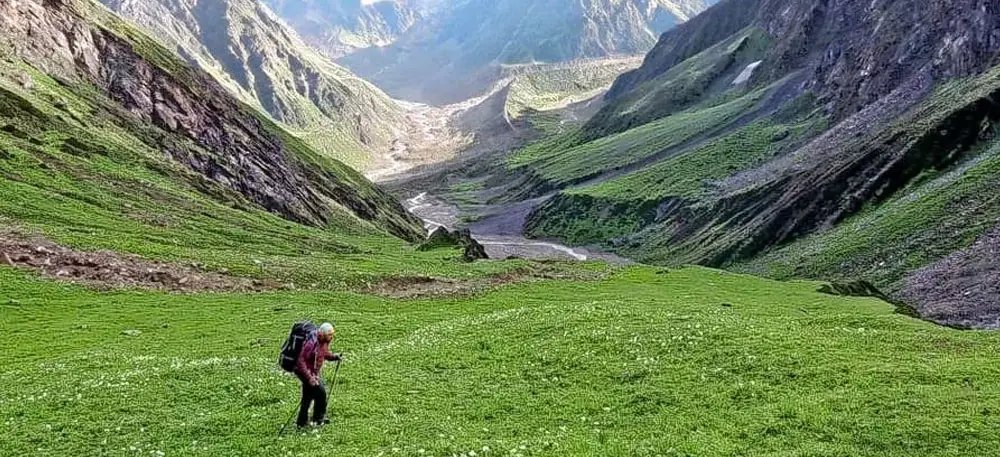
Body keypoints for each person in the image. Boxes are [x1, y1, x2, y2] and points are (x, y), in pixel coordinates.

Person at [294, 322, 341, 428]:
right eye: (330, 334)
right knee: (321, 393)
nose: (331, 337)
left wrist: (334, 357)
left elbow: (323, 353)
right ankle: (318, 420)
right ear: (322, 334)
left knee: (308, 396)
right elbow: (300, 361)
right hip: (305, 372)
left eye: (332, 334)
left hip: (313, 373)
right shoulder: (311, 343)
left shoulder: (324, 341)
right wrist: (309, 377)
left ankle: (301, 423)